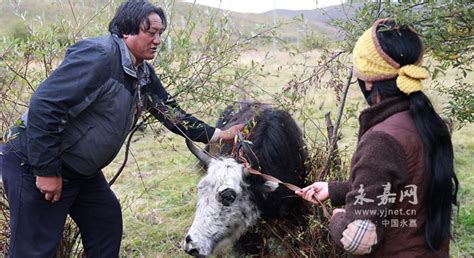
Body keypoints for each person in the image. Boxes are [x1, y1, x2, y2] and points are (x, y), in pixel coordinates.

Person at [0, 0, 243, 257]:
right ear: (126, 31)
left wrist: (218, 134)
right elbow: (45, 105)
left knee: (105, 222)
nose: (157, 40)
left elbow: (172, 114)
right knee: (34, 250)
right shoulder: (100, 56)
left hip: (80, 171)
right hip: (34, 162)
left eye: (160, 33)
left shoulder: (142, 73)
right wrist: (46, 169)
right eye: (150, 32)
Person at [296, 18, 458, 257]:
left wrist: (338, 219)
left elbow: (358, 239)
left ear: (369, 81)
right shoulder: (428, 122)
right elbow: (400, 188)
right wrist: (334, 189)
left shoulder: (382, 139)